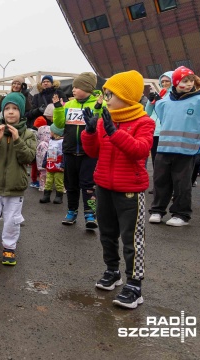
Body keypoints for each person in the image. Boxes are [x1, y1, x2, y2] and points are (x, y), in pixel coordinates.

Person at [81, 70, 155, 309]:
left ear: (127, 95)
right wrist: (90, 132)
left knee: (132, 239)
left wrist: (115, 132)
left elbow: (140, 151)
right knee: (107, 233)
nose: (107, 97)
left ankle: (135, 284)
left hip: (130, 190)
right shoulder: (104, 119)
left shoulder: (144, 122)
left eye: (110, 93)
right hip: (103, 185)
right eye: (106, 93)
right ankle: (112, 271)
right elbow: (93, 152)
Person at [0, 92, 36, 266]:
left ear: (21, 112)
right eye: (7, 108)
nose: (10, 112)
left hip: (15, 187)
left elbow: (29, 158)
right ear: (2, 112)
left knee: (12, 220)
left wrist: (17, 139)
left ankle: (9, 248)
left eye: (15, 109)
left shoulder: (28, 135)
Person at [149, 66, 200, 226]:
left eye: (191, 80)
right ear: (176, 82)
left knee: (182, 183)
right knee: (160, 181)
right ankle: (157, 210)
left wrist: (196, 139)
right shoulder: (164, 102)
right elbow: (163, 120)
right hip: (164, 148)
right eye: (184, 81)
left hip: (187, 150)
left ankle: (181, 214)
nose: (189, 84)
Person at [52, 72, 104, 229]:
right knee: (71, 184)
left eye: (77, 87)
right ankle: (71, 211)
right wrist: (58, 109)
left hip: (89, 153)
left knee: (88, 184)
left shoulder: (100, 103)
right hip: (69, 151)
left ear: (87, 88)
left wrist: (98, 109)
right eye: (73, 87)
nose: (73, 90)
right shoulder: (69, 105)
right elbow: (59, 125)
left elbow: (100, 124)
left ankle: (90, 214)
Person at [145, 71, 173, 168]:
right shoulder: (160, 94)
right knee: (155, 160)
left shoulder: (174, 95)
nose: (164, 84)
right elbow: (148, 112)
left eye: (167, 81)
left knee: (165, 160)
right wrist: (150, 101)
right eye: (162, 82)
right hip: (155, 132)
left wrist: (160, 101)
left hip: (166, 131)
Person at [39, 123, 64, 204]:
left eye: (51, 131)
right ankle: (46, 196)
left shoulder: (62, 142)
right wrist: (44, 163)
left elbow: (65, 154)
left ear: (56, 132)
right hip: (50, 164)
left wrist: (63, 164)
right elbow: (47, 153)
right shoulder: (51, 141)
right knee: (48, 180)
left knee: (58, 181)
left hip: (58, 165)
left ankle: (58, 196)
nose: (50, 133)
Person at [34, 116, 51, 192]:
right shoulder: (51, 143)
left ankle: (42, 186)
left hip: (42, 163)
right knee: (51, 175)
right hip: (50, 162)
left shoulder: (41, 143)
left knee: (43, 174)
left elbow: (39, 154)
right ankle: (49, 186)